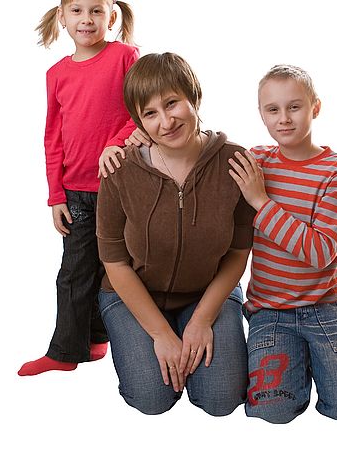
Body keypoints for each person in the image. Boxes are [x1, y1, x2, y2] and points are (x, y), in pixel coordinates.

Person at [96, 52, 255, 416]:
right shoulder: (119, 171)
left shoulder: (235, 163)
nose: (166, 121)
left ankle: (188, 327)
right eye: (150, 114)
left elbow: (237, 252)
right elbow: (114, 261)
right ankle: (153, 336)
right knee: (152, 398)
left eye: (172, 103)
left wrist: (201, 320)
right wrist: (161, 335)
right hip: (132, 292)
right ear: (138, 121)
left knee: (221, 398)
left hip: (208, 291)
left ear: (193, 97)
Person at [228, 64, 337, 425]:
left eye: (294, 107)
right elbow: (201, 150)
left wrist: (260, 201)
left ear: (315, 107)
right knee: (273, 412)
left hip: (327, 306)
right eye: (273, 110)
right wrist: (137, 137)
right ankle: (300, 355)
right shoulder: (258, 161)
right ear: (262, 115)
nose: (284, 118)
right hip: (271, 310)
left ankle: (322, 356)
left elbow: (319, 253)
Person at [18, 0, 139, 376]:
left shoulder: (125, 56)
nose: (86, 19)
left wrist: (115, 143)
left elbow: (141, 113)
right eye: (77, 11)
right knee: (74, 271)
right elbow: (53, 138)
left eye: (96, 10)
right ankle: (66, 352)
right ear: (62, 18)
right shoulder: (57, 74)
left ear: (111, 16)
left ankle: (98, 338)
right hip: (75, 191)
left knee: (113, 267)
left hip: (119, 188)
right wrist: (56, 196)